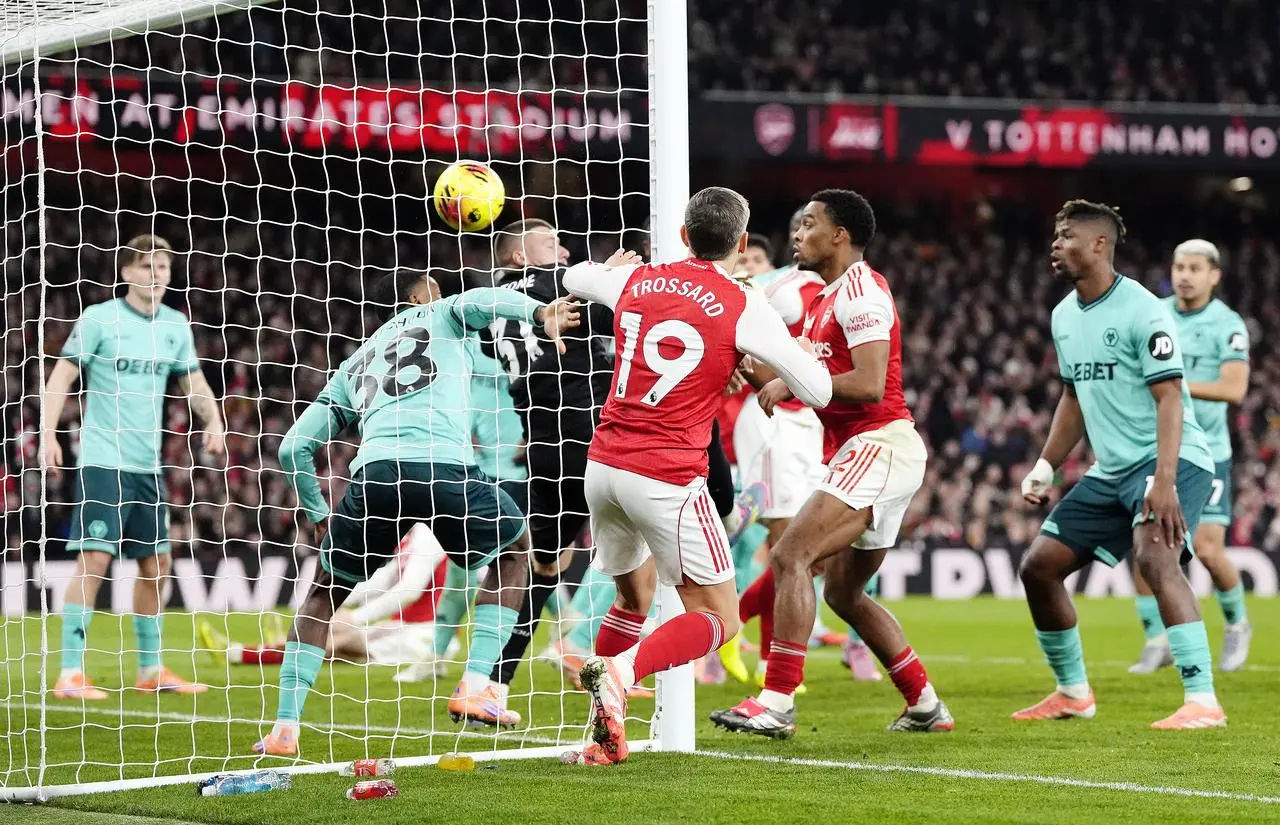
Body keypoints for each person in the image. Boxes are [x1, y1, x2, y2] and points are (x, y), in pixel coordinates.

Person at [252, 270, 578, 756]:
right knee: (516, 550)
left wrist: (319, 515)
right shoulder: (444, 315)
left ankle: (284, 729)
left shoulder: (355, 363)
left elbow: (292, 447)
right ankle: (477, 685)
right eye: (435, 287)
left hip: (376, 476)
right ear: (418, 296)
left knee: (323, 592)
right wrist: (539, 311)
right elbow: (482, 300)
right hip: (443, 469)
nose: (444, 293)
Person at [560, 186, 833, 765]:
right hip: (667, 475)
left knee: (632, 597)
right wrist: (803, 355)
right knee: (719, 617)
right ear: (741, 241)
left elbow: (573, 277)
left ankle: (601, 733)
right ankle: (621, 672)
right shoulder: (743, 302)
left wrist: (607, 269)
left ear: (683, 236)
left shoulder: (635, 280)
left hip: (604, 466)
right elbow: (818, 392)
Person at [712, 189, 953, 739]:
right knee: (843, 593)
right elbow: (791, 382)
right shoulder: (824, 299)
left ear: (839, 235)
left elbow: (868, 385)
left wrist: (790, 381)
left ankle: (776, 702)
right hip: (861, 450)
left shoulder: (861, 292)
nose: (798, 234)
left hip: (880, 444)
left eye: (809, 224)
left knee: (791, 554)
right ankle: (925, 704)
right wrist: (750, 368)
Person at [1015, 200, 1223, 730]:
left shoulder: (1142, 310)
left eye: (1066, 236)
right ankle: (1073, 693)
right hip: (1111, 471)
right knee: (1039, 567)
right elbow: (1073, 397)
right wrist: (1046, 465)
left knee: (1155, 557)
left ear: (1099, 244)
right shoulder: (1063, 316)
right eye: (1056, 236)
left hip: (1172, 459)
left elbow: (1169, 398)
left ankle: (1202, 700)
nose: (1056, 244)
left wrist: (1165, 481)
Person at [43, 234, 226, 700]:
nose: (156, 273)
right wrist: (47, 434)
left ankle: (150, 669)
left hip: (148, 466)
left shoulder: (175, 325)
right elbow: (62, 375)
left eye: (163, 266)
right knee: (95, 560)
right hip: (104, 460)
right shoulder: (99, 319)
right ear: (126, 272)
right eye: (147, 265)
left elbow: (193, 382)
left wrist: (214, 420)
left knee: (157, 563)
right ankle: (70, 674)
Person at [482, 219, 614, 706]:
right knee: (646, 540)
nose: (564, 251)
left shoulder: (488, 306)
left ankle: (492, 683)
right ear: (521, 257)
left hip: (542, 438)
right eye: (552, 243)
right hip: (593, 427)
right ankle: (588, 651)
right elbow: (622, 316)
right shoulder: (559, 284)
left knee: (545, 563)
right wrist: (611, 278)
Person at [1129, 239, 1251, 674]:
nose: (1184, 275)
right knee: (1144, 547)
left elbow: (1233, 388)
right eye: (1179, 266)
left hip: (1208, 452)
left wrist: (1171, 383)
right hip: (1156, 448)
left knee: (1208, 550)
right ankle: (1156, 640)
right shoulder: (1153, 314)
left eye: (1195, 268)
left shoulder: (1227, 324)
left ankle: (1237, 624)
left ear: (1214, 276)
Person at [199, 522, 447, 676]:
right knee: (332, 637)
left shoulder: (428, 536)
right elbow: (383, 580)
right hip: (400, 628)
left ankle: (244, 652)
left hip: (424, 636)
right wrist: (334, 598)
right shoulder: (411, 535)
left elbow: (409, 590)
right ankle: (246, 651)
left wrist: (356, 617)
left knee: (337, 636)